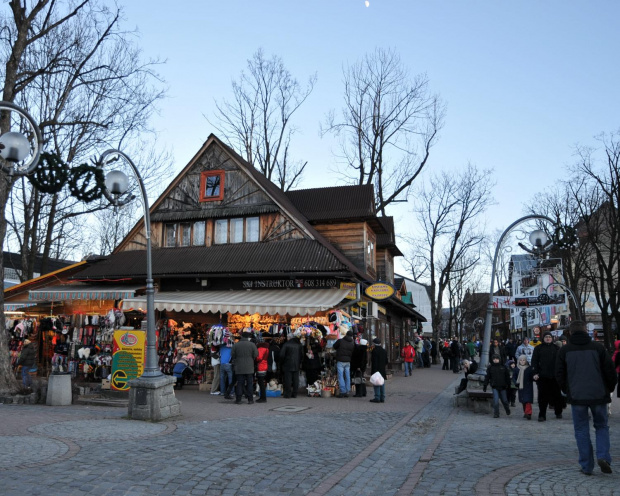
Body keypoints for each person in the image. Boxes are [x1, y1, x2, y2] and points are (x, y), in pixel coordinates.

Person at [556, 320, 617, 475]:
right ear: (586, 331)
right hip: (598, 394)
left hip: (577, 396)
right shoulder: (598, 348)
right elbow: (610, 371)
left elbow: (559, 374)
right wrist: (608, 389)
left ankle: (586, 465)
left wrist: (567, 390)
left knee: (581, 430)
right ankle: (603, 456)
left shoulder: (565, 350)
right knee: (602, 426)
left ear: (570, 332)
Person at [531, 331, 563, 421]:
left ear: (552, 338)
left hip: (555, 376)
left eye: (549, 337)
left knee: (557, 395)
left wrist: (561, 374)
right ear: (543, 338)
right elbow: (534, 361)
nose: (548, 338)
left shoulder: (557, 348)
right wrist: (535, 373)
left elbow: (561, 363)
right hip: (542, 376)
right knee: (542, 397)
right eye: (546, 337)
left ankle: (558, 411)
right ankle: (542, 415)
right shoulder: (538, 348)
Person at [231, 332, 258, 404]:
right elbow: (256, 354)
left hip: (239, 367)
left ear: (241, 336)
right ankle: (250, 399)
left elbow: (232, 355)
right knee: (249, 383)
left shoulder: (236, 345)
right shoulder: (252, 345)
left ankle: (238, 399)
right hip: (249, 367)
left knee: (240, 383)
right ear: (248, 337)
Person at [483, 354, 511, 418]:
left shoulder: (503, 367)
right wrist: (485, 385)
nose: (495, 360)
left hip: (503, 386)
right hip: (494, 386)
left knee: (505, 400)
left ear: (499, 359)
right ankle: (496, 413)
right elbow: (487, 377)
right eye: (494, 359)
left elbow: (507, 377)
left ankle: (507, 409)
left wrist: (508, 385)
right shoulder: (490, 368)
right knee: (495, 401)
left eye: (497, 359)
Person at [279, 331, 304, 398]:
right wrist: (300, 362)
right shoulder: (299, 344)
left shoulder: (286, 344)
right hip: (296, 364)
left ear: (289, 338)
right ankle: (295, 393)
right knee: (296, 379)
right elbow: (302, 355)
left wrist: (282, 362)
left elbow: (281, 355)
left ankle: (287, 394)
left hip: (287, 364)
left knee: (288, 379)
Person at [333, 330, 355, 397]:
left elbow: (334, 346)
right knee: (347, 376)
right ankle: (347, 390)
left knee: (341, 376)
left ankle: (343, 391)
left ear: (346, 334)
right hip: (348, 361)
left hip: (340, 360)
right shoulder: (352, 343)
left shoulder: (340, 341)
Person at [513, 355, 534, 420]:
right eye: (521, 360)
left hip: (528, 386)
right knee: (523, 401)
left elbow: (532, 376)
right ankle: (526, 412)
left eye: (523, 360)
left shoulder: (529, 368)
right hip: (520, 386)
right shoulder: (517, 369)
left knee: (528, 400)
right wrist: (516, 383)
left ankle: (529, 413)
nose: (522, 361)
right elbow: (514, 377)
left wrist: (534, 377)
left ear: (526, 361)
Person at [370, 337, 387, 403]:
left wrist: (374, 370)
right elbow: (386, 361)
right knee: (382, 383)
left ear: (374, 344)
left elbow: (373, 361)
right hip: (382, 369)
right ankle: (382, 397)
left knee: (376, 383)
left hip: (376, 369)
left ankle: (377, 397)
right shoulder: (384, 351)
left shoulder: (374, 351)